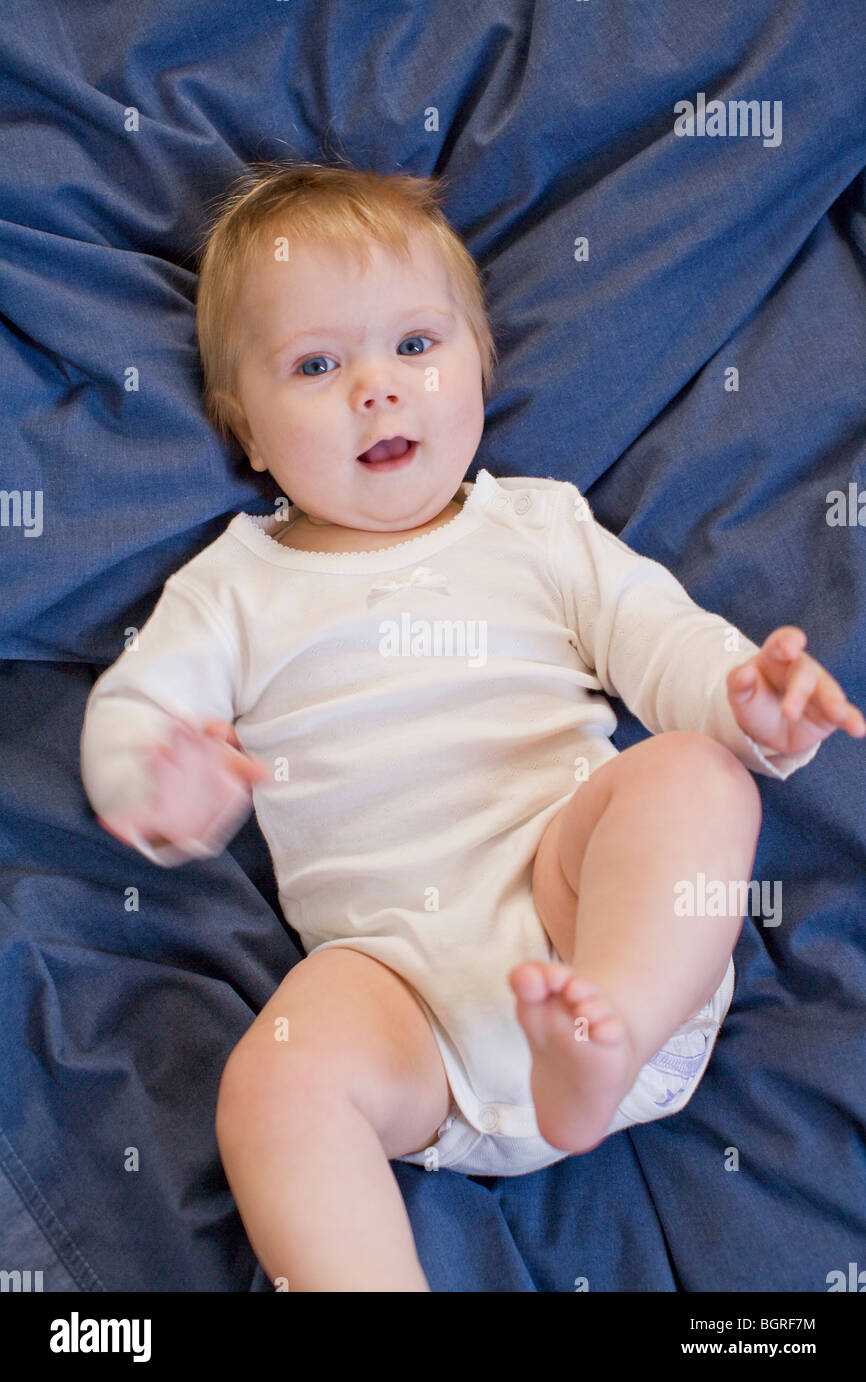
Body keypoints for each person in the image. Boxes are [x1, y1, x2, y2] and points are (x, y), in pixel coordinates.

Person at [80, 162, 865, 1292]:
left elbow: (658, 638)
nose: (376, 391)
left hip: (581, 910)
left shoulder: (534, 527)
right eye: (315, 364)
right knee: (276, 1080)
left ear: (478, 371)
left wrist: (744, 695)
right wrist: (156, 783)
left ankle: (602, 1037)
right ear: (244, 430)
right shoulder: (232, 587)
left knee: (693, 775)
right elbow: (138, 705)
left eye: (413, 347)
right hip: (398, 993)